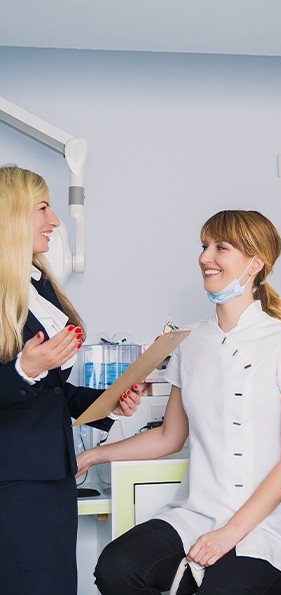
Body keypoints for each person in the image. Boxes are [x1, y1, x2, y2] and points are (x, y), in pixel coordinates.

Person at [76, 209, 281, 595]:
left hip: (264, 527)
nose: (205, 257)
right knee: (116, 568)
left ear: (254, 264)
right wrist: (90, 457)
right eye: (204, 246)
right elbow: (169, 437)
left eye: (220, 247)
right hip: (198, 514)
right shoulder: (189, 341)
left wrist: (229, 534)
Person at [0, 165, 143, 595]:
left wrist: (107, 401)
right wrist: (25, 369)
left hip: (51, 478)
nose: (55, 221)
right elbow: (27, 380)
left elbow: (52, 392)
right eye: (43, 208)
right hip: (14, 486)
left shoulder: (37, 286)